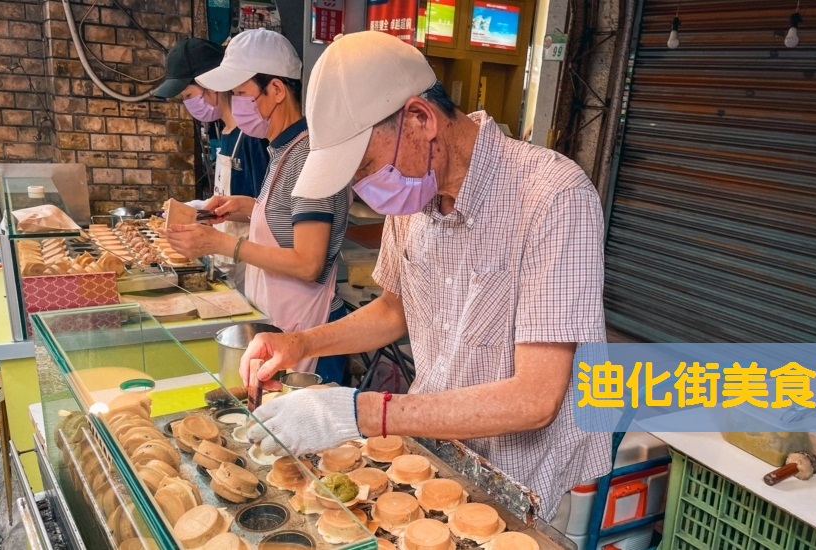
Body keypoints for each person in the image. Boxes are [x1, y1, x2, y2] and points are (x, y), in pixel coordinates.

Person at [241, 31, 612, 525]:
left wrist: (359, 411)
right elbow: (395, 310)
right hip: (440, 454)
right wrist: (300, 342)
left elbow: (535, 398)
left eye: (367, 168)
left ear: (420, 119)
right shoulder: (417, 194)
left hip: (527, 484)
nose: (367, 193)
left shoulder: (553, 199)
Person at [164, 29, 351, 383]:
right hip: (283, 323)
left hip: (313, 333)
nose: (234, 105)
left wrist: (223, 244)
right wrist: (247, 207)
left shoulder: (307, 155)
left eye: (241, 93)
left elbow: (308, 263)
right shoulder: (281, 149)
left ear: (277, 90)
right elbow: (288, 215)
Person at [152, 38, 269, 290]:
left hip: (253, 264)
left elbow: (268, 212)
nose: (189, 105)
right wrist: (197, 210)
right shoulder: (225, 132)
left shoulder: (252, 137)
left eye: (189, 95)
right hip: (228, 260)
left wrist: (203, 213)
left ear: (212, 84)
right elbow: (227, 200)